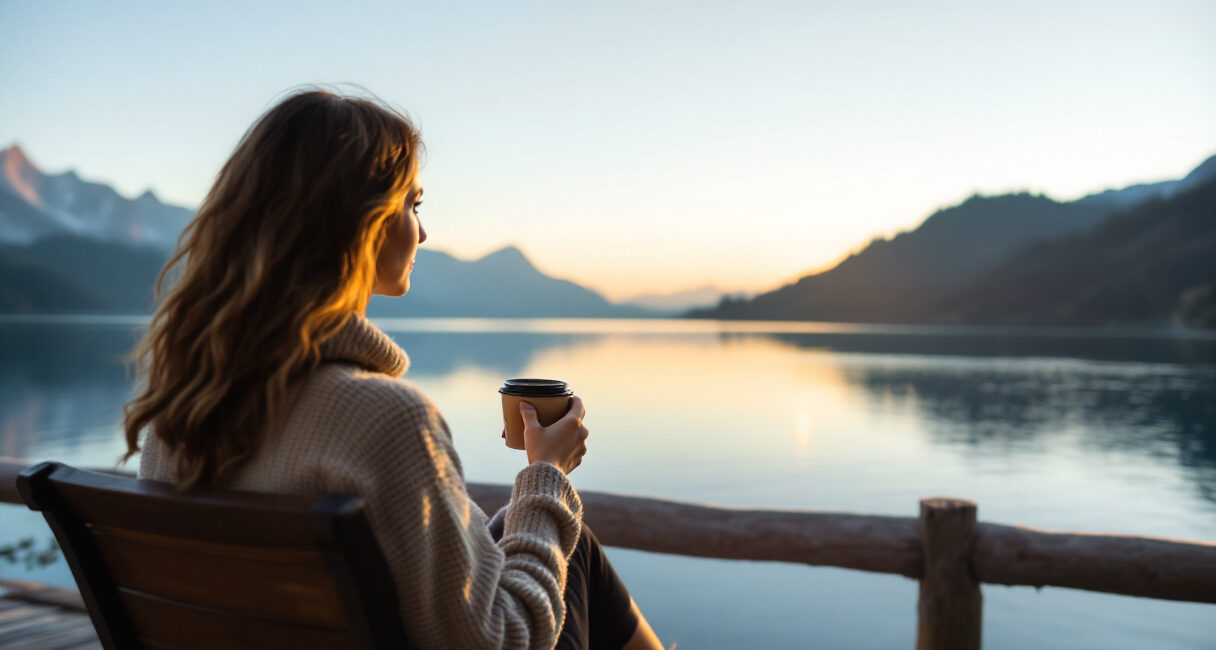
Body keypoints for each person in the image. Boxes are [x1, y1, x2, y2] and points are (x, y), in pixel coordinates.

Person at [123, 89, 666, 650]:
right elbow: (507, 641)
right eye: (413, 204)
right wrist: (547, 472)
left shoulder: (179, 409)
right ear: (359, 221)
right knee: (565, 544)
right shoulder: (383, 419)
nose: (423, 232)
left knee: (516, 524)